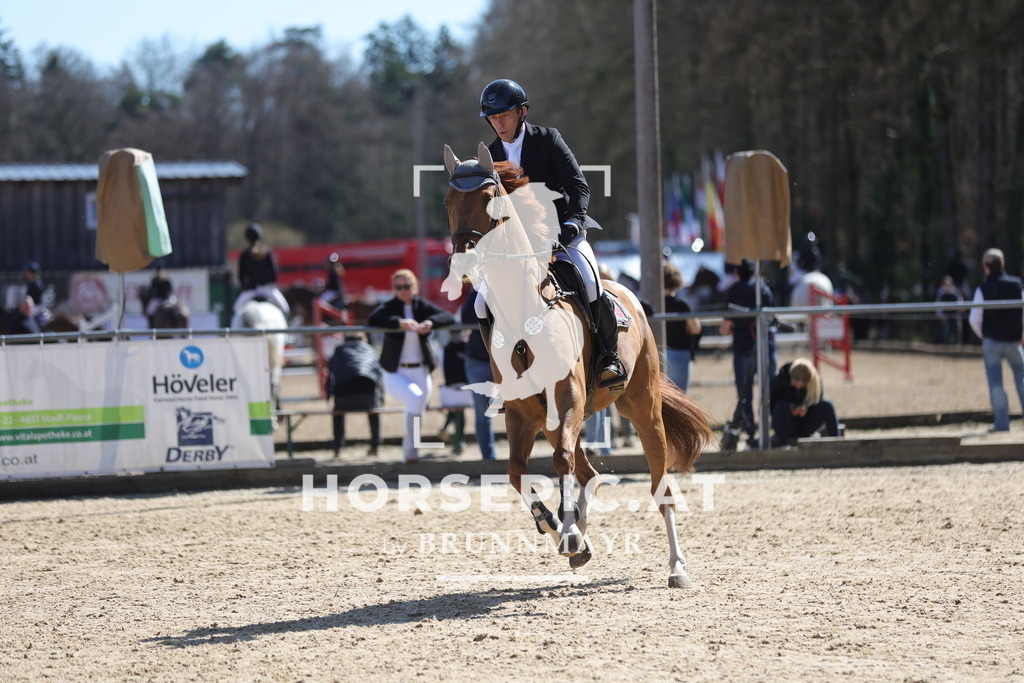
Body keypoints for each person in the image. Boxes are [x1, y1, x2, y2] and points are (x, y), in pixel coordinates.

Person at [480, 77, 625, 388]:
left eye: (504, 115)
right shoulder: (490, 156)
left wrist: (575, 221)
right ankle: (502, 373)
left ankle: (608, 356)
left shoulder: (548, 139)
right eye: (493, 118)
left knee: (588, 280)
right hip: (520, 248)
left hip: (563, 234)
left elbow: (578, 185)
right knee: (481, 302)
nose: (499, 123)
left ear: (523, 111)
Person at [368, 269, 455, 463]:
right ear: (394, 289)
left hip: (420, 369)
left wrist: (430, 322)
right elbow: (373, 319)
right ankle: (410, 452)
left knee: (416, 408)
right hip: (395, 371)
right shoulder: (390, 306)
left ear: (414, 287)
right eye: (399, 287)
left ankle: (411, 452)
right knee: (415, 399)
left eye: (407, 286)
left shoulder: (421, 306)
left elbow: (447, 316)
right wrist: (399, 322)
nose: (403, 291)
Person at [719, 259, 778, 438]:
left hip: (742, 346)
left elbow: (725, 328)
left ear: (737, 273)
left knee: (744, 392)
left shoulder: (733, 290)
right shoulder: (764, 288)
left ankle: (751, 430)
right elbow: (774, 316)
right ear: (754, 272)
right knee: (769, 388)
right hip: (765, 345)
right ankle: (770, 428)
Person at [968, 248, 1024, 433]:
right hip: (1014, 341)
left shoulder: (983, 288)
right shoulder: (1016, 285)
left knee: (996, 383)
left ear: (986, 266)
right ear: (1003, 264)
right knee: (1022, 379)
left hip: (992, 341)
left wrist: (984, 336)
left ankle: (1002, 422)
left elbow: (974, 319)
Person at [325, 332, 383, 458]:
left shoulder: (339, 350)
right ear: (363, 339)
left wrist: (329, 395)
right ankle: (375, 446)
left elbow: (331, 374)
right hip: (368, 397)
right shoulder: (369, 350)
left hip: (343, 399)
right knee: (375, 409)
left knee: (337, 412)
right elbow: (378, 373)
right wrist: (381, 396)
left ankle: (338, 447)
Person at [769, 358, 841, 447]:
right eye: (795, 385)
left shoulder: (815, 383)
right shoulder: (779, 381)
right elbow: (772, 408)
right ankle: (784, 446)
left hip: (806, 424)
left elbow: (817, 402)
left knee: (827, 405)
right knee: (781, 404)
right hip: (786, 424)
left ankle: (837, 443)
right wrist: (791, 409)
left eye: (802, 386)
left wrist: (806, 409)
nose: (798, 388)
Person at [461, 287, 497, 460]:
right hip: (479, 360)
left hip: (507, 360)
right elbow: (466, 317)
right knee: (483, 413)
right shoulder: (477, 290)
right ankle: (488, 457)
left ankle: (519, 457)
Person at [234, 222, 290, 316]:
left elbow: (241, 275)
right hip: (267, 289)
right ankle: (287, 329)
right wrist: (270, 283)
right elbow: (274, 272)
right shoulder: (267, 252)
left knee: (235, 309)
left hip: (250, 290)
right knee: (285, 309)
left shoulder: (244, 255)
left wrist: (246, 287)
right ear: (260, 235)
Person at [663, 262, 702, 392]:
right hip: (679, 351)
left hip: (657, 352)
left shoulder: (652, 305)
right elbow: (696, 328)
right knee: (679, 396)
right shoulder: (681, 305)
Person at [438, 329, 473, 456]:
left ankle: (447, 427)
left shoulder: (444, 350)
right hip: (465, 389)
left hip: (449, 389)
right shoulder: (469, 349)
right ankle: (459, 441)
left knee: (455, 409)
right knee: (460, 411)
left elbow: (442, 370)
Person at [935, 275, 965, 346]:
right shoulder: (940, 293)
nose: (947, 286)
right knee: (947, 333)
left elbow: (961, 303)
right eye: (945, 284)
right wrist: (941, 315)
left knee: (958, 330)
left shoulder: (956, 292)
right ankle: (946, 346)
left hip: (955, 315)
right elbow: (937, 306)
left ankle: (957, 346)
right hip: (946, 316)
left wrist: (961, 308)